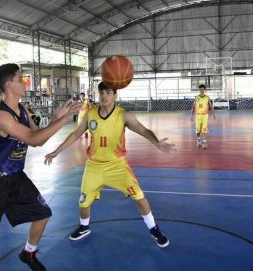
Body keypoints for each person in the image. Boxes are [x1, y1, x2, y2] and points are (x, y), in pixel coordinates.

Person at [0, 63, 81, 270]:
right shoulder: (1, 115)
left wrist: (57, 118)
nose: (24, 81)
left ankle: (28, 253)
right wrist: (65, 119)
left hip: (15, 175)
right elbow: (32, 139)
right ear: (8, 85)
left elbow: (38, 137)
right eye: (20, 78)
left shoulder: (22, 109)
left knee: (42, 213)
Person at [44, 81, 175, 248]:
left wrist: (157, 143)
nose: (104, 96)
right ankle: (84, 227)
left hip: (117, 165)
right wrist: (56, 151)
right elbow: (76, 134)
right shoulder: (90, 114)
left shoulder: (123, 115)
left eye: (108, 92)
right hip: (94, 166)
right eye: (102, 93)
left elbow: (143, 130)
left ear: (115, 95)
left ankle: (154, 229)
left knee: (139, 197)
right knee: (83, 202)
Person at [190, 84, 215, 149]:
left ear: (205, 90)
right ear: (199, 90)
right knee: (198, 130)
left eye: (203, 89)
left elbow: (211, 106)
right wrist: (191, 115)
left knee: (204, 129)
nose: (201, 90)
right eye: (200, 89)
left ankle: (204, 142)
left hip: (205, 116)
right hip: (198, 115)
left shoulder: (207, 97)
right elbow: (193, 106)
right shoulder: (196, 97)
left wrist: (213, 114)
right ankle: (198, 139)